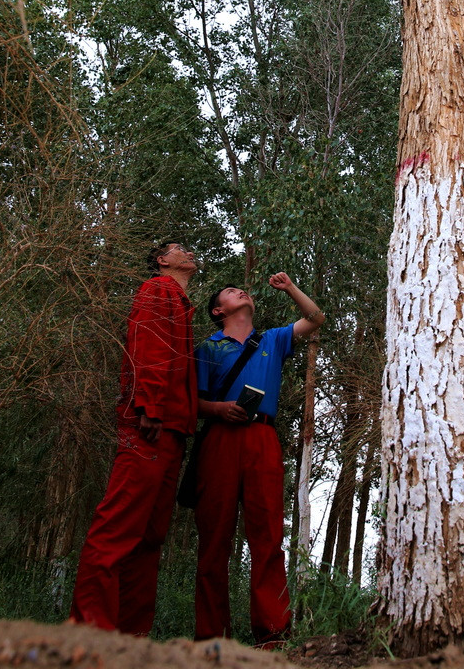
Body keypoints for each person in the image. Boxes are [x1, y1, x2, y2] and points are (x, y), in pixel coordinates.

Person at [69, 241, 199, 634]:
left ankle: (131, 637)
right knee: (118, 528)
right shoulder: (156, 289)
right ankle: (89, 632)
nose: (189, 253)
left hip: (173, 430)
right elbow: (149, 347)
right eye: (179, 249)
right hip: (149, 424)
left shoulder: (182, 303)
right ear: (163, 261)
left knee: (150, 537)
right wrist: (149, 405)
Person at [193, 272, 325, 646]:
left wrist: (290, 288)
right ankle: (210, 638)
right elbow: (192, 403)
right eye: (231, 292)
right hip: (219, 440)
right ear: (219, 310)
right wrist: (219, 409)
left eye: (241, 289)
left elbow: (316, 318)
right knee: (214, 540)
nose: (240, 290)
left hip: (263, 439)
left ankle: (272, 634)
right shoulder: (209, 348)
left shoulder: (272, 339)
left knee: (267, 536)